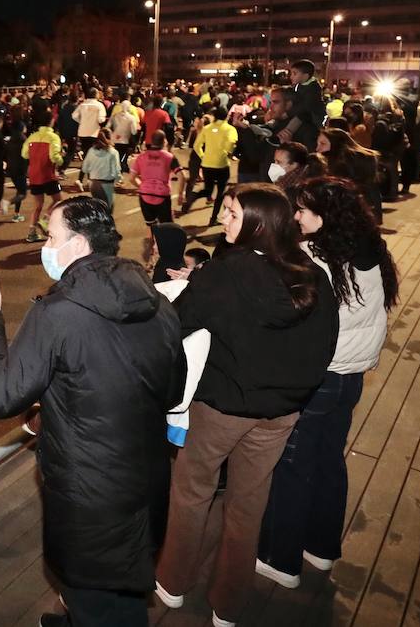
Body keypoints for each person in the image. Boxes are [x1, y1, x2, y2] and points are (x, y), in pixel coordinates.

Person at [0, 197, 185, 627]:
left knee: (92, 595)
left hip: (88, 488)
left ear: (80, 244)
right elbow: (173, 388)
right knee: (123, 584)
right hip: (147, 477)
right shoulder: (157, 301)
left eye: (51, 237)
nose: (45, 246)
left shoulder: (57, 313)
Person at [154, 184, 338, 626]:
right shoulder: (311, 275)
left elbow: (179, 324)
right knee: (248, 504)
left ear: (257, 223)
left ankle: (173, 582)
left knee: (192, 491)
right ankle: (229, 604)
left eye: (233, 214)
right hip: (281, 414)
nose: (224, 220)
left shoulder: (225, 272)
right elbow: (324, 347)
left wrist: (190, 288)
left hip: (221, 408)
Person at [255, 177, 399, 588]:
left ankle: (279, 559)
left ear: (325, 215)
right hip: (350, 376)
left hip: (319, 376)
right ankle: (320, 548)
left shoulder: (314, 259)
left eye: (301, 209)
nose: (295, 216)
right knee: (328, 462)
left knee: (293, 466)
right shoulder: (369, 248)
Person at [186, 106, 239, 224]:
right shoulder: (230, 129)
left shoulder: (207, 128)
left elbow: (196, 145)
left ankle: (192, 197)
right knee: (220, 193)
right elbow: (231, 143)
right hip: (222, 164)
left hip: (207, 164)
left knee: (208, 190)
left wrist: (203, 156)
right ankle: (213, 219)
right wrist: (227, 151)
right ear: (226, 116)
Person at [318, 128, 382, 222]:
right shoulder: (358, 162)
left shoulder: (340, 168)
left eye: (323, 144)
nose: (317, 149)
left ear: (336, 144)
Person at [22, 111, 65, 243]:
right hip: (47, 174)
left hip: (34, 174)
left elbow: (24, 154)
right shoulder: (53, 137)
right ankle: (45, 220)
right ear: (51, 121)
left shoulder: (32, 137)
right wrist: (61, 160)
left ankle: (31, 232)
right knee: (58, 200)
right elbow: (54, 157)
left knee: (37, 205)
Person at [130, 130, 183, 228]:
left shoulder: (141, 157)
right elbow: (181, 176)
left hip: (145, 195)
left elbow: (132, 178)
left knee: (151, 225)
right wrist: (180, 194)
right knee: (167, 226)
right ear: (164, 141)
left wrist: (141, 185)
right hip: (162, 196)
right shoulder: (170, 157)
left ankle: (154, 241)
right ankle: (163, 242)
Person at [276, 60, 327, 151]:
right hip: (303, 114)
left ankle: (285, 133)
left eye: (294, 74)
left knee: (299, 118)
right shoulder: (299, 85)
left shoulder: (313, 88)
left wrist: (288, 113)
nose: (291, 76)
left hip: (312, 117)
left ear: (306, 76)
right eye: (291, 73)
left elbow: (305, 106)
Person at [80, 128, 121, 212]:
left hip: (93, 184)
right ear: (109, 138)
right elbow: (116, 171)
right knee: (108, 210)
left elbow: (85, 168)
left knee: (97, 209)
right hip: (106, 184)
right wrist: (118, 179)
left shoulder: (91, 150)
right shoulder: (113, 152)